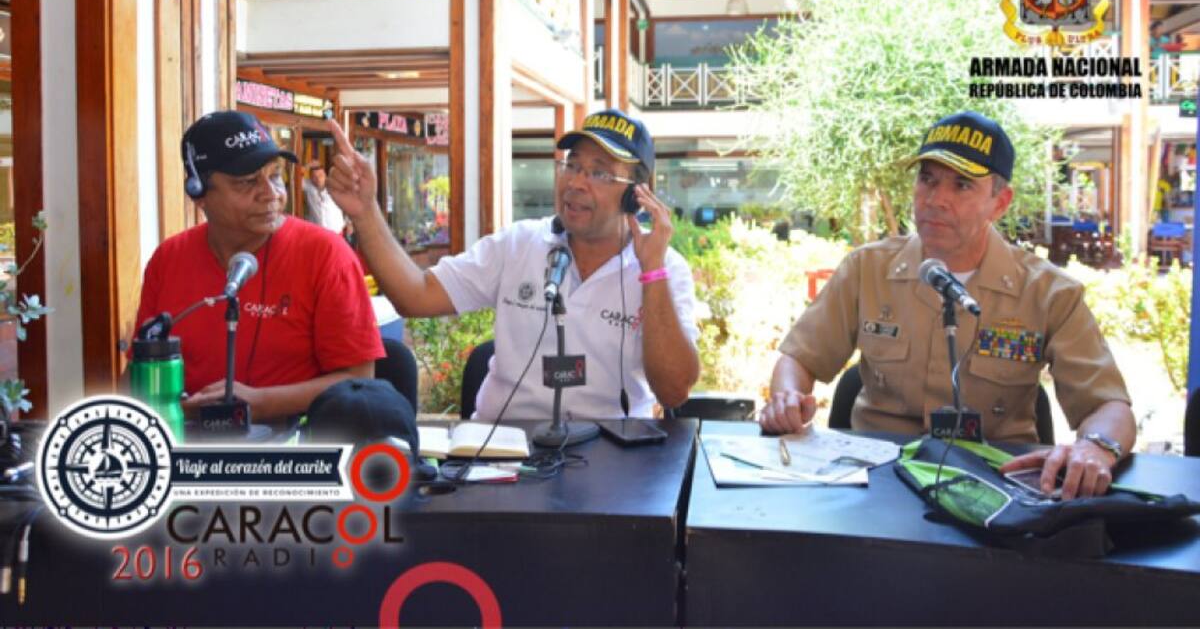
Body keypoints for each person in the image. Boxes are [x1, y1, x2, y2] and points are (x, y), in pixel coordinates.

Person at [760, 111, 1134, 500]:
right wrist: (788, 396)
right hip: (878, 483)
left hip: (993, 486)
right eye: (928, 179)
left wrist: (1096, 448)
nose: (936, 199)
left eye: (962, 185)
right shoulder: (867, 270)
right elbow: (799, 359)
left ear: (999, 203)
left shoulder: (1048, 293)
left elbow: (1109, 404)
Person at [326, 108, 701, 420]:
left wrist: (652, 273)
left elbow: (673, 392)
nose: (576, 183)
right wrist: (366, 213)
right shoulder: (519, 244)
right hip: (504, 452)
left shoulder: (664, 267)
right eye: (572, 166)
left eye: (599, 172)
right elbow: (416, 296)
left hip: (614, 456)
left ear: (636, 194)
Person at [133, 110, 383, 420]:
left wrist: (259, 402)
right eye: (247, 182)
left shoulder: (326, 254)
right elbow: (138, 375)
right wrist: (171, 410)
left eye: (275, 175)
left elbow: (359, 381)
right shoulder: (168, 260)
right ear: (198, 194)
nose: (272, 194)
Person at [303, 159, 346, 234]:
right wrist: (308, 165)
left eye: (320, 175)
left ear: (325, 175)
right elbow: (295, 178)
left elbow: (348, 203)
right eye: (314, 176)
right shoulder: (308, 185)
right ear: (310, 178)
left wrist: (349, 222)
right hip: (318, 233)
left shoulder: (335, 186)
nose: (318, 178)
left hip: (336, 232)